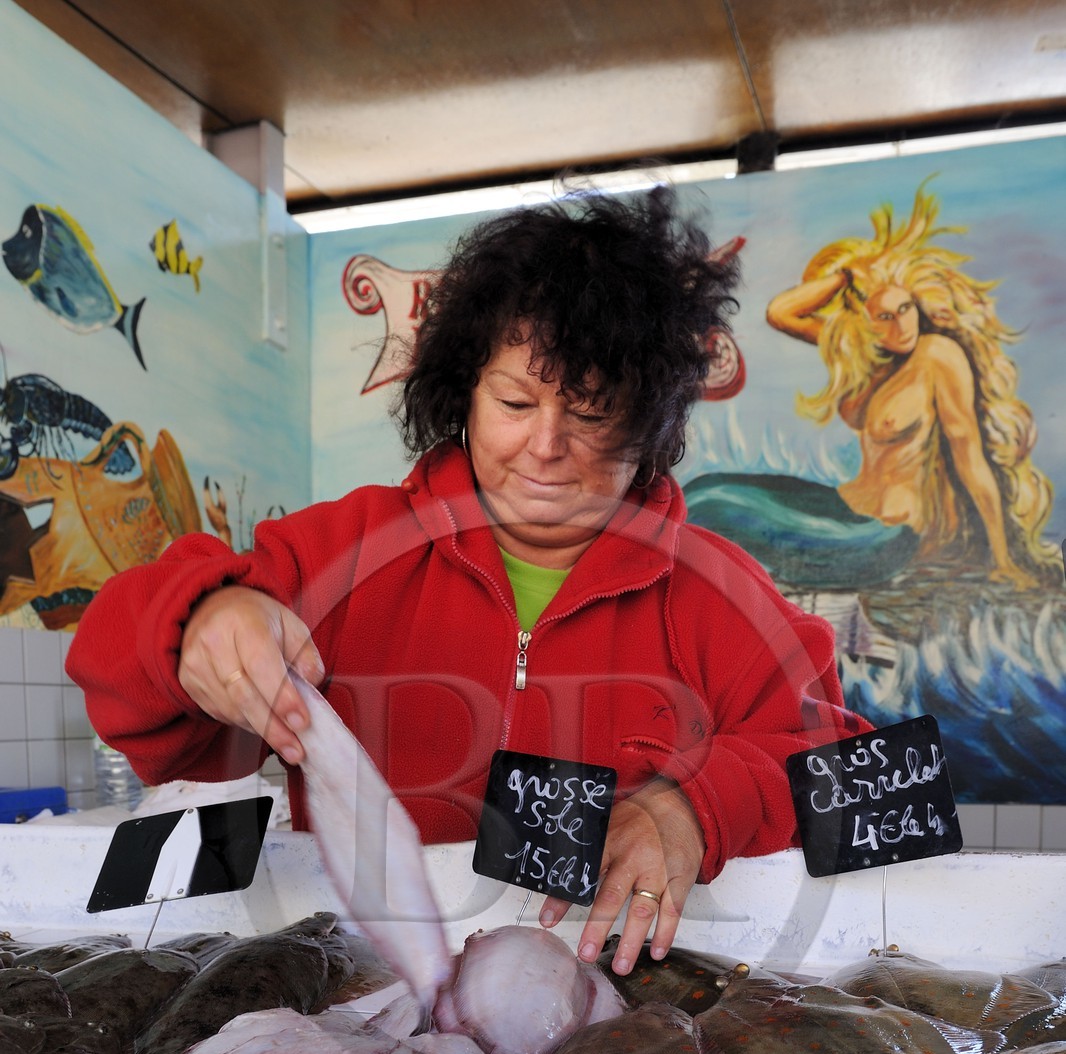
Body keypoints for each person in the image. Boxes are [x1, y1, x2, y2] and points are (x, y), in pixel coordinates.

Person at [67, 187, 864, 976]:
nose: (544, 445)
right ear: (465, 394)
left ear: (650, 422)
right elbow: (115, 674)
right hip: (365, 995)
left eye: (591, 413)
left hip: (621, 1003)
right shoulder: (347, 551)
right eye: (514, 401)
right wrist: (201, 623)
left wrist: (696, 805)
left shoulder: (722, 594)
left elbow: (855, 779)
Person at [766, 184, 1055, 590]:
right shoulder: (863, 352)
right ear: (866, 323)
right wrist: (844, 277)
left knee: (728, 514)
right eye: (884, 317)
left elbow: (970, 456)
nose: (901, 326)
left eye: (906, 309)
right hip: (850, 511)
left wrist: (1002, 558)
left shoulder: (937, 355)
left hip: (888, 535)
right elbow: (781, 312)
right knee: (715, 493)